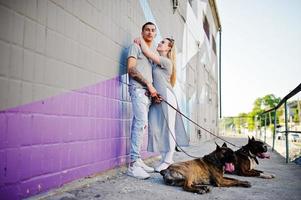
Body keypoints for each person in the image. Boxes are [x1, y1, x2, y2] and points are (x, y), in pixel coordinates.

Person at [134, 37, 190, 172]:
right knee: (155, 127)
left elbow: (147, 52)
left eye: (163, 42)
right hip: (157, 98)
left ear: (169, 48)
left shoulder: (167, 62)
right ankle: (164, 157)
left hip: (167, 98)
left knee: (168, 128)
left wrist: (140, 41)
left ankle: (168, 159)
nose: (159, 43)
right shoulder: (155, 63)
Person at [127, 22, 158, 179]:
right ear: (142, 32)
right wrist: (148, 84)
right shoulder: (135, 47)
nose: (150, 32)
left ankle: (138, 160)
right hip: (138, 90)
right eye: (147, 30)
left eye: (153, 30)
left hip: (146, 94)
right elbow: (131, 69)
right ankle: (132, 165)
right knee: (140, 124)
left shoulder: (149, 53)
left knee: (140, 125)